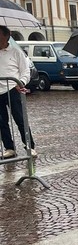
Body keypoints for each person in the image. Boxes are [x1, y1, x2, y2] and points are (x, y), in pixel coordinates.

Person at [0, 25, 36, 158]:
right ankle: (9, 147)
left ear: (6, 36)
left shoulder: (16, 52)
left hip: (12, 89)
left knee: (20, 118)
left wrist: (20, 82)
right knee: (1, 121)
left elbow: (26, 71)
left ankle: (29, 146)